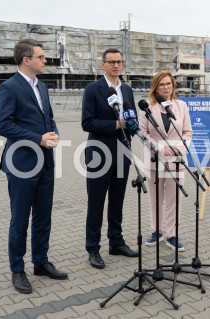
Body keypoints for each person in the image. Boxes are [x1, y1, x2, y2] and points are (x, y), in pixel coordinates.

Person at [0, 39, 68, 294]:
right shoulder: (9, 88)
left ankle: (40, 262)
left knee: (43, 217)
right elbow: (3, 125)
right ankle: (17, 269)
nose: (45, 60)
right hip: (22, 164)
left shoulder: (43, 87)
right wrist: (38, 139)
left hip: (45, 163)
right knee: (20, 219)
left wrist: (54, 133)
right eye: (41, 56)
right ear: (27, 60)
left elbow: (48, 117)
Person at [81, 48, 139, 269]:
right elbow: (87, 123)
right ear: (103, 65)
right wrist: (117, 125)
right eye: (111, 62)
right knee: (96, 203)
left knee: (117, 202)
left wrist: (132, 127)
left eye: (119, 62)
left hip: (123, 152)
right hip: (99, 153)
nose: (116, 65)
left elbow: (131, 116)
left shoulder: (126, 89)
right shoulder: (93, 90)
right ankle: (93, 248)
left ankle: (116, 242)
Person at [138, 70, 192, 251]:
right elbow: (143, 133)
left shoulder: (182, 106)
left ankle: (172, 234)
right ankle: (157, 230)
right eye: (162, 84)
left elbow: (187, 132)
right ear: (155, 87)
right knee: (155, 198)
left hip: (176, 159)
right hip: (155, 159)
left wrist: (179, 148)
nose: (166, 87)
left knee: (174, 199)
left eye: (169, 83)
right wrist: (161, 148)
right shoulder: (147, 108)